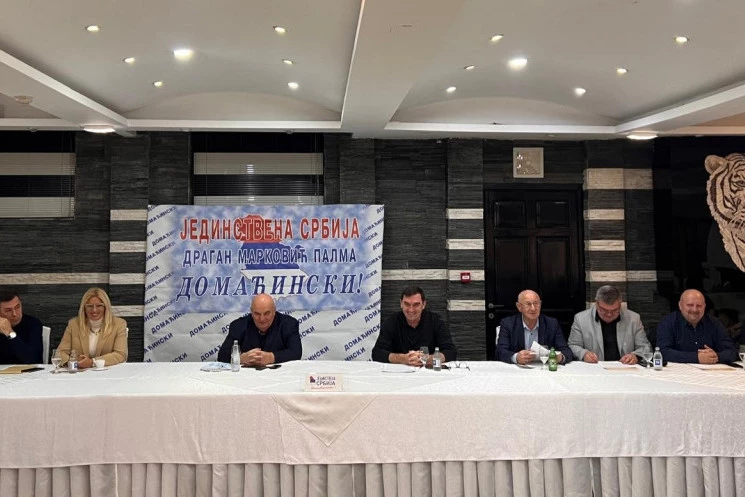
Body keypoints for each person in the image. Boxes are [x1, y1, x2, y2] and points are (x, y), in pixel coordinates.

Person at [372, 286, 457, 366]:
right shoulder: (391, 322)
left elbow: (451, 352)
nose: (411, 309)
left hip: (429, 372)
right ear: (401, 303)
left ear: (423, 304)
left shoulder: (436, 321)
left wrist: (427, 359)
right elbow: (376, 353)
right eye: (407, 304)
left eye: (416, 304)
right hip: (399, 373)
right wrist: (403, 359)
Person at [568, 285, 651, 364]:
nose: (609, 314)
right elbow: (573, 345)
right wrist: (584, 354)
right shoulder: (581, 319)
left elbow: (645, 347)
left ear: (620, 304)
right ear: (597, 304)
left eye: (615, 310)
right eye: (604, 310)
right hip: (595, 368)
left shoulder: (634, 319)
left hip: (625, 368)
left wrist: (635, 356)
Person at [656, 289, 738, 364]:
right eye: (690, 305)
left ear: (704, 307)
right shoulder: (668, 323)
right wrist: (696, 357)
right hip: (677, 372)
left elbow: (732, 352)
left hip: (711, 372)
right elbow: (663, 352)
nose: (694, 310)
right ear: (680, 305)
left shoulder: (714, 324)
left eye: (699, 306)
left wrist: (716, 356)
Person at [217, 293, 301, 366]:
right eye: (257, 314)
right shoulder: (238, 326)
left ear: (274, 311)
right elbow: (222, 356)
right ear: (251, 312)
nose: (262, 319)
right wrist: (241, 358)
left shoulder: (289, 324)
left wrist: (271, 357)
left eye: (267, 313)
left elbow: (296, 353)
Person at [496, 289, 573, 364]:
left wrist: (560, 357)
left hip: (543, 367)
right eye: (528, 304)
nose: (533, 308)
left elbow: (567, 351)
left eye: (536, 303)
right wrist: (516, 357)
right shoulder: (508, 324)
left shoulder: (552, 324)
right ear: (519, 307)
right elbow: (500, 351)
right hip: (519, 368)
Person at [59, 287, 128, 368]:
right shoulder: (73, 324)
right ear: (84, 308)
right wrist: (73, 363)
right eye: (90, 306)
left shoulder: (119, 324)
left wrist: (92, 362)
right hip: (80, 372)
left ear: (106, 307)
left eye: (99, 306)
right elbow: (60, 353)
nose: (94, 310)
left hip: (107, 372)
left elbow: (120, 354)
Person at [0, 290, 43, 364]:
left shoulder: (33, 323)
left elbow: (32, 359)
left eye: (17, 307)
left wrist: (10, 333)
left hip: (28, 370)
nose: (15, 314)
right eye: (8, 310)